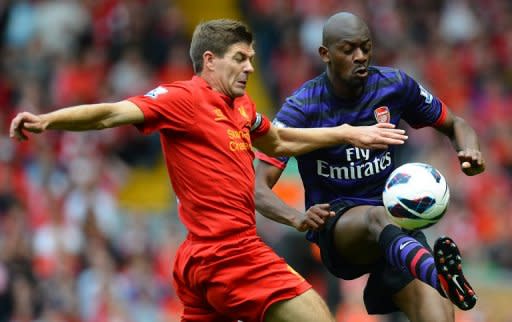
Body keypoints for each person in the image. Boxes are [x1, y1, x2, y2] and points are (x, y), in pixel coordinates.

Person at [9, 19, 409, 322]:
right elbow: (111, 114)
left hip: (201, 261)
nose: (250, 68)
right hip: (229, 252)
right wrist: (48, 120)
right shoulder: (182, 98)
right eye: (240, 59)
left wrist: (345, 133)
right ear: (209, 61)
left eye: (251, 59)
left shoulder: (243, 108)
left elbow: (281, 142)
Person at [255, 12, 484, 322]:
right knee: (379, 217)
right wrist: (296, 218)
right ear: (325, 54)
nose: (360, 56)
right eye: (348, 50)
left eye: (365, 47)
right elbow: (256, 186)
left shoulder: (394, 86)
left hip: (398, 229)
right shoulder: (303, 107)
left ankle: (433, 277)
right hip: (340, 228)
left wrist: (468, 149)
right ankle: (436, 273)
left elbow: (456, 123)